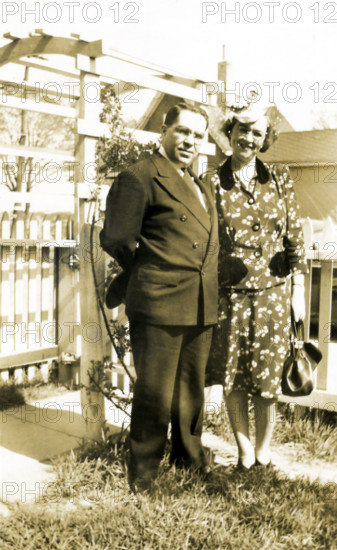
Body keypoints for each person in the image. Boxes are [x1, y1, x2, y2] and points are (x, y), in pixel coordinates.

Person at [100, 103, 219, 491]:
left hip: (199, 302)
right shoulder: (140, 176)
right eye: (183, 131)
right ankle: (144, 476)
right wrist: (147, 270)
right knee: (154, 392)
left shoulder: (200, 185)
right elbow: (116, 238)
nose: (190, 141)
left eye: (198, 136)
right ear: (163, 131)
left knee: (190, 390)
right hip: (159, 301)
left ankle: (188, 459)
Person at [205, 104, 307, 470]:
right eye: (242, 130)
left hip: (274, 294)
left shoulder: (279, 177)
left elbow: (296, 235)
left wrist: (297, 291)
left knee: (267, 377)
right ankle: (244, 453)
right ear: (229, 133)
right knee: (232, 376)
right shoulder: (213, 181)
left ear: (265, 140)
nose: (249, 138)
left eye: (257, 133)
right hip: (230, 294)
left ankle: (263, 453)